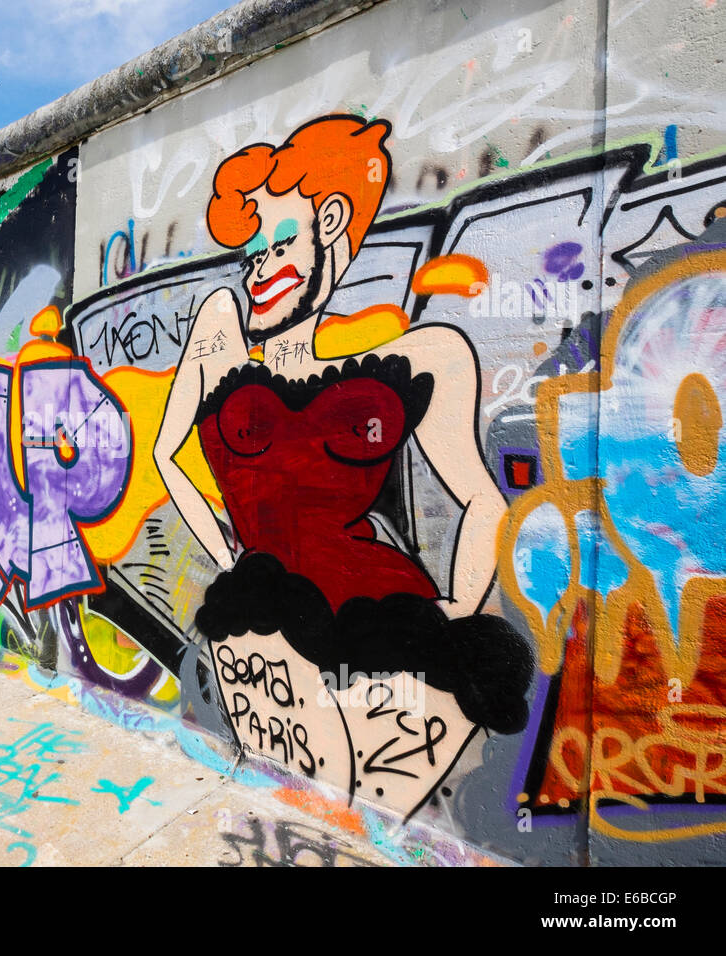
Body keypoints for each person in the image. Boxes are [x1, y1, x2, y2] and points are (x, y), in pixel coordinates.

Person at [152, 115, 532, 799]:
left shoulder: (423, 356)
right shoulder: (222, 332)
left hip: (388, 636)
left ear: (329, 220)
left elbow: (483, 500)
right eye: (249, 258)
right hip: (263, 626)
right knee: (298, 796)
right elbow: (165, 454)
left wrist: (449, 615)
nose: (257, 271)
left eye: (276, 246)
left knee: (365, 812)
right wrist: (232, 561)